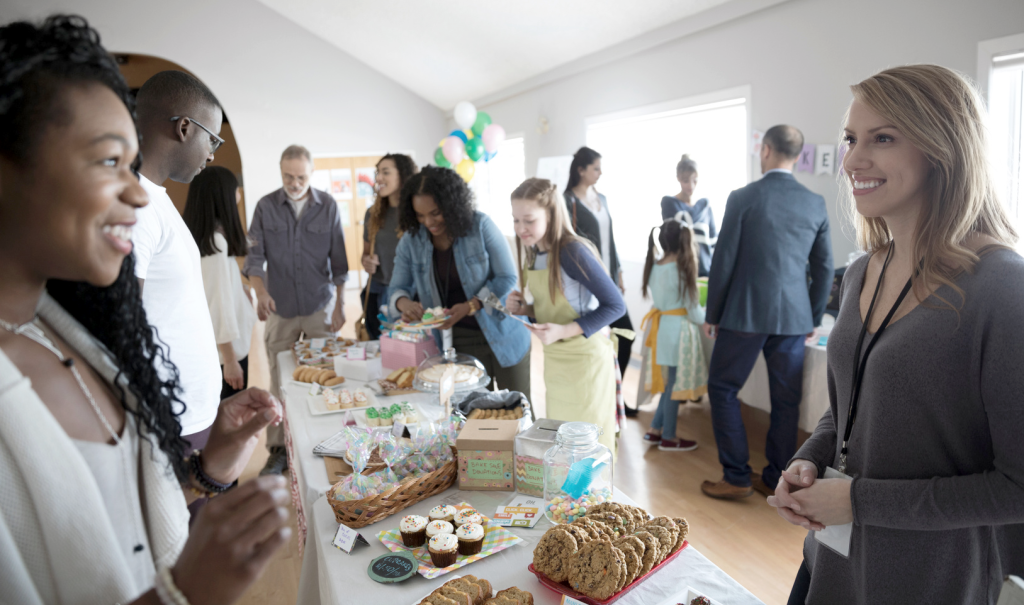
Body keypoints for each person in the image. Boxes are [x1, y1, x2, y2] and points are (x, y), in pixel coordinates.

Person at [0, 15, 290, 604]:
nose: (135, 192)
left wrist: (210, 466)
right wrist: (183, 594)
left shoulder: (74, 347)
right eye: (110, 162)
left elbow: (125, 525)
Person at [769, 65, 1024, 605]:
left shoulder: (1001, 287)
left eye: (882, 138)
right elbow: (850, 406)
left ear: (943, 148)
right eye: (851, 139)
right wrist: (810, 459)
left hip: (926, 579)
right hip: (830, 559)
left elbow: (1017, 487)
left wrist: (859, 502)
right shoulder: (865, 269)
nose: (853, 160)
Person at [701, 124, 833, 500]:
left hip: (743, 313)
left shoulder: (743, 197)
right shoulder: (815, 202)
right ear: (797, 155)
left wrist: (714, 313)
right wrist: (811, 317)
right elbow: (824, 268)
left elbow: (723, 261)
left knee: (723, 388)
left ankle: (737, 475)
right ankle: (775, 476)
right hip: (793, 319)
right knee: (786, 400)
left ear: (766, 150)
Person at [133, 70, 224, 454]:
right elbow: (123, 324)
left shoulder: (156, 197)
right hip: (168, 418)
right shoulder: (133, 205)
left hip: (188, 413)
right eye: (212, 138)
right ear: (185, 127)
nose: (213, 153)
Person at [243, 144, 349, 475]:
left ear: (311, 173)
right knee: (279, 379)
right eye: (288, 176)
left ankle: (326, 440)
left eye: (300, 176)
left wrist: (341, 305)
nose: (294, 182)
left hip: (319, 304)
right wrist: (259, 292)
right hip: (280, 305)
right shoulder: (264, 207)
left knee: (325, 377)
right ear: (280, 172)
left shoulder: (328, 205)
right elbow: (254, 259)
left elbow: (340, 261)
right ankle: (278, 450)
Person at [388, 166, 531, 397]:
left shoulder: (481, 226)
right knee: (470, 413)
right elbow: (396, 289)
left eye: (435, 212)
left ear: (451, 205)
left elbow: (507, 277)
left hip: (503, 332)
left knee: (514, 410)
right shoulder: (411, 241)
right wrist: (404, 304)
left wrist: (471, 305)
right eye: (420, 215)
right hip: (456, 341)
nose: (429, 222)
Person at [507, 178, 625, 454]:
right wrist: (526, 310)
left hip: (586, 363)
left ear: (551, 214)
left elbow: (615, 306)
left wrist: (561, 331)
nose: (520, 229)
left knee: (589, 449)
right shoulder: (535, 253)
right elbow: (554, 310)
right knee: (564, 445)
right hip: (557, 362)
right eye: (515, 220)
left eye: (528, 220)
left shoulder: (573, 251)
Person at [563, 146, 637, 417]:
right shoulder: (568, 200)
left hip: (610, 280)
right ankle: (603, 397)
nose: (600, 172)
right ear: (581, 170)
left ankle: (617, 393)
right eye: (596, 167)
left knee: (626, 337)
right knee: (596, 340)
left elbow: (611, 239)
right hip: (588, 285)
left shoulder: (602, 197)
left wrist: (618, 273)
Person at [183, 166, 257, 400]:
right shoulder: (215, 243)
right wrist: (230, 360)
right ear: (223, 195)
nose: (239, 194)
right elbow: (217, 306)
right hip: (227, 353)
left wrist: (241, 289)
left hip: (225, 350)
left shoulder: (210, 238)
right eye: (235, 189)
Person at [637, 216, 706, 452]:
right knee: (675, 386)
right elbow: (695, 313)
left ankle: (655, 429)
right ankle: (668, 436)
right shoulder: (682, 269)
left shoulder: (656, 265)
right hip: (679, 331)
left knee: (670, 385)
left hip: (662, 328)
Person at [361, 153, 418, 340]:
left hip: (411, 295)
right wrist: (367, 261)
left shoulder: (418, 212)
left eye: (385, 172)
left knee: (410, 347)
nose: (378, 178)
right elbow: (365, 254)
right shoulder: (373, 214)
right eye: (378, 172)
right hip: (379, 292)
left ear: (402, 175)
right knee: (382, 348)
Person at [660, 154, 717, 277]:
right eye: (686, 181)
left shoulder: (706, 208)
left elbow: (714, 242)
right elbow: (685, 223)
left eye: (694, 180)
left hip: (704, 273)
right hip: (680, 272)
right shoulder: (669, 203)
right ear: (678, 178)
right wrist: (703, 203)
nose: (691, 185)